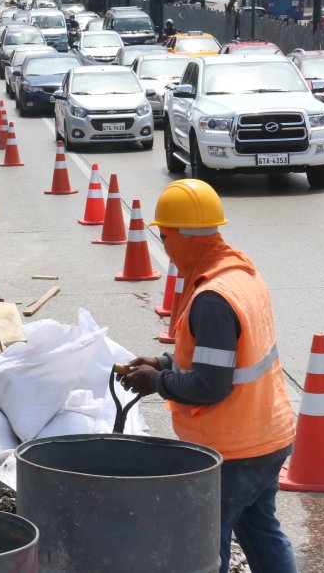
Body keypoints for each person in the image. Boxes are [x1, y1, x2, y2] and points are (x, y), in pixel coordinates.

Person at [120, 179, 297, 573]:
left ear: (185, 236)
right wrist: (163, 363)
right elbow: (223, 360)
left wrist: (155, 383)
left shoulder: (213, 299)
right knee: (262, 531)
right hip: (267, 435)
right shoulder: (239, 273)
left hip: (234, 450)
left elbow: (210, 385)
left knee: (202, 549)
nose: (164, 247)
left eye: (164, 237)